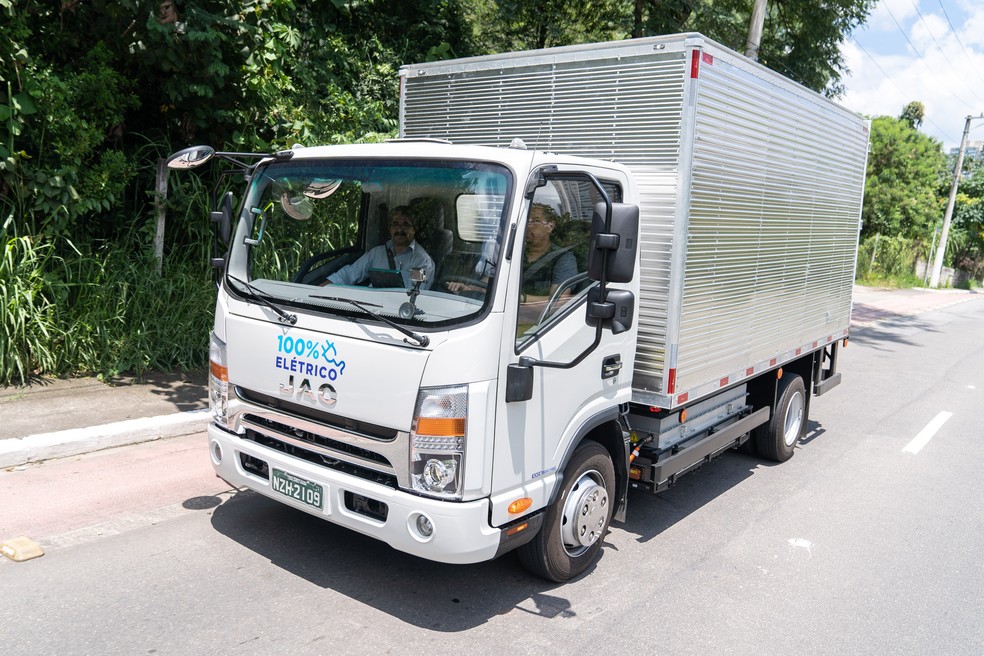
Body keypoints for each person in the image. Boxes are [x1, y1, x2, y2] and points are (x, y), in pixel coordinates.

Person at [322, 207, 435, 289]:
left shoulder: (422, 261)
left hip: (397, 317)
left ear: (414, 229)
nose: (400, 229)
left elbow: (416, 293)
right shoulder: (376, 253)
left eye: (405, 224)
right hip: (367, 309)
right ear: (390, 229)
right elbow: (350, 273)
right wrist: (325, 286)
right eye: (395, 224)